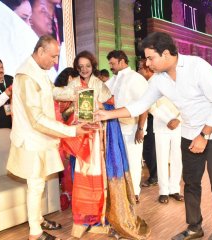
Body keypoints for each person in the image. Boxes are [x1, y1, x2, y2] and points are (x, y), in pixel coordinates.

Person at [96, 32, 212, 240]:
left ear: (166, 53)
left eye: (150, 58)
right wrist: (108, 113)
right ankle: (194, 227)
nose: (147, 63)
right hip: (189, 132)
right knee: (190, 182)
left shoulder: (198, 67)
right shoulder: (159, 80)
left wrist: (204, 135)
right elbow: (140, 105)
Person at [53, 50, 150, 239]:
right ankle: (82, 220)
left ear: (93, 66)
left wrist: (99, 106)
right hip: (78, 140)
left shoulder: (101, 85)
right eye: (80, 67)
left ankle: (99, 219)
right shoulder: (73, 84)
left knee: (96, 179)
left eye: (87, 66)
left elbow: (111, 107)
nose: (84, 70)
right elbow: (58, 98)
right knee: (79, 178)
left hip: (97, 141)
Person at [6, 35, 89, 240]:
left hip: (40, 138)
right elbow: (36, 119)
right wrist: (71, 131)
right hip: (31, 140)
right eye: (53, 56)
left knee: (39, 184)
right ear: (41, 51)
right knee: (35, 185)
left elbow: (51, 92)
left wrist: (75, 93)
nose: (55, 61)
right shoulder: (26, 76)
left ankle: (39, 220)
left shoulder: (39, 71)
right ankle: (35, 232)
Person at [106, 50, 148, 202]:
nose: (110, 66)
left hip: (132, 128)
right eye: (110, 64)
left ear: (122, 61)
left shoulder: (136, 79)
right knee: (121, 161)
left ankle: (135, 192)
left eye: (112, 63)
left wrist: (141, 129)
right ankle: (124, 192)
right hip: (116, 128)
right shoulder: (113, 80)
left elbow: (145, 105)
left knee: (133, 160)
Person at [137, 59, 157, 187]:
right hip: (152, 118)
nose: (138, 71)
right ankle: (155, 176)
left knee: (150, 149)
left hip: (154, 118)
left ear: (147, 69)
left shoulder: (153, 83)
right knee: (150, 149)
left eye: (140, 68)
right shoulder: (149, 82)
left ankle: (154, 176)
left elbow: (150, 105)